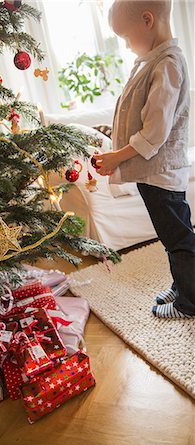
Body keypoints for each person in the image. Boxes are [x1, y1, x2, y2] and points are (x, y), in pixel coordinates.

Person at [94, 0, 195, 318]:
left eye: (125, 36)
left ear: (147, 21)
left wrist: (116, 158)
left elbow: (154, 133)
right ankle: (183, 286)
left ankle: (189, 302)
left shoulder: (166, 64)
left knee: (179, 238)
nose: (125, 45)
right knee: (171, 237)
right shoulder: (153, 60)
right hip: (154, 174)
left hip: (161, 173)